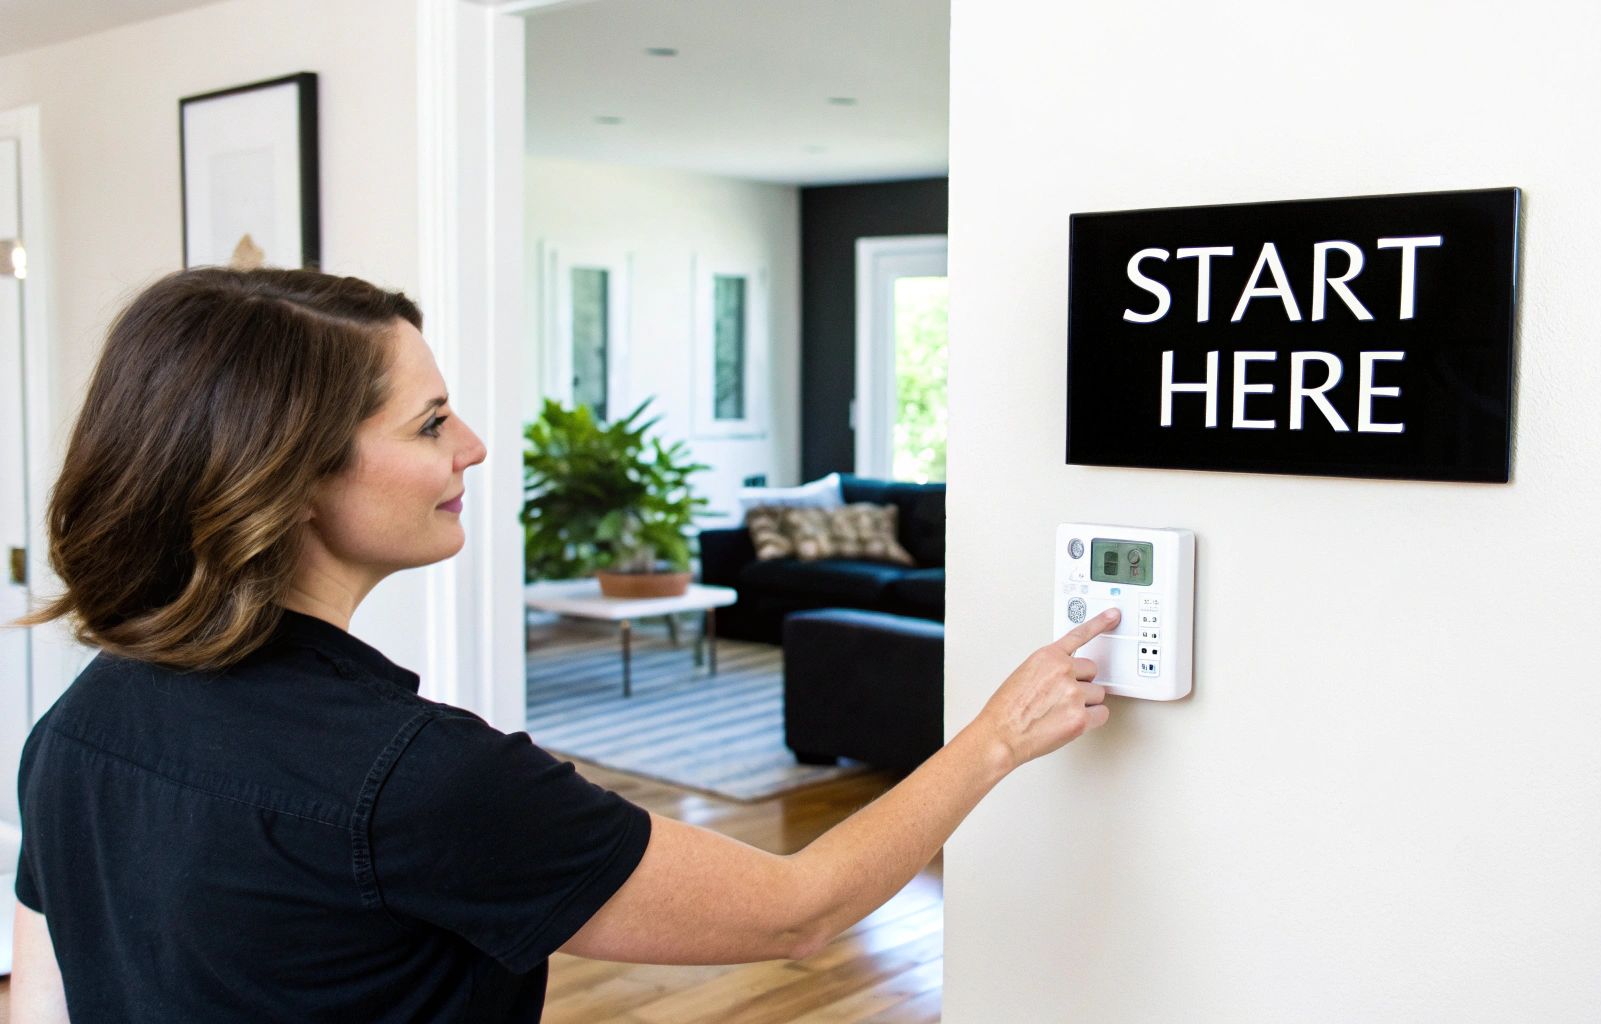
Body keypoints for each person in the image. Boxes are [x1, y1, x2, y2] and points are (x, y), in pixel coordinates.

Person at [7, 266, 1118, 1022]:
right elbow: (800, 910)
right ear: (287, 475)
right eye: (430, 422)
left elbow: (39, 997)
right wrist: (992, 737)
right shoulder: (418, 781)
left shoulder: (85, 716)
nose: (476, 446)